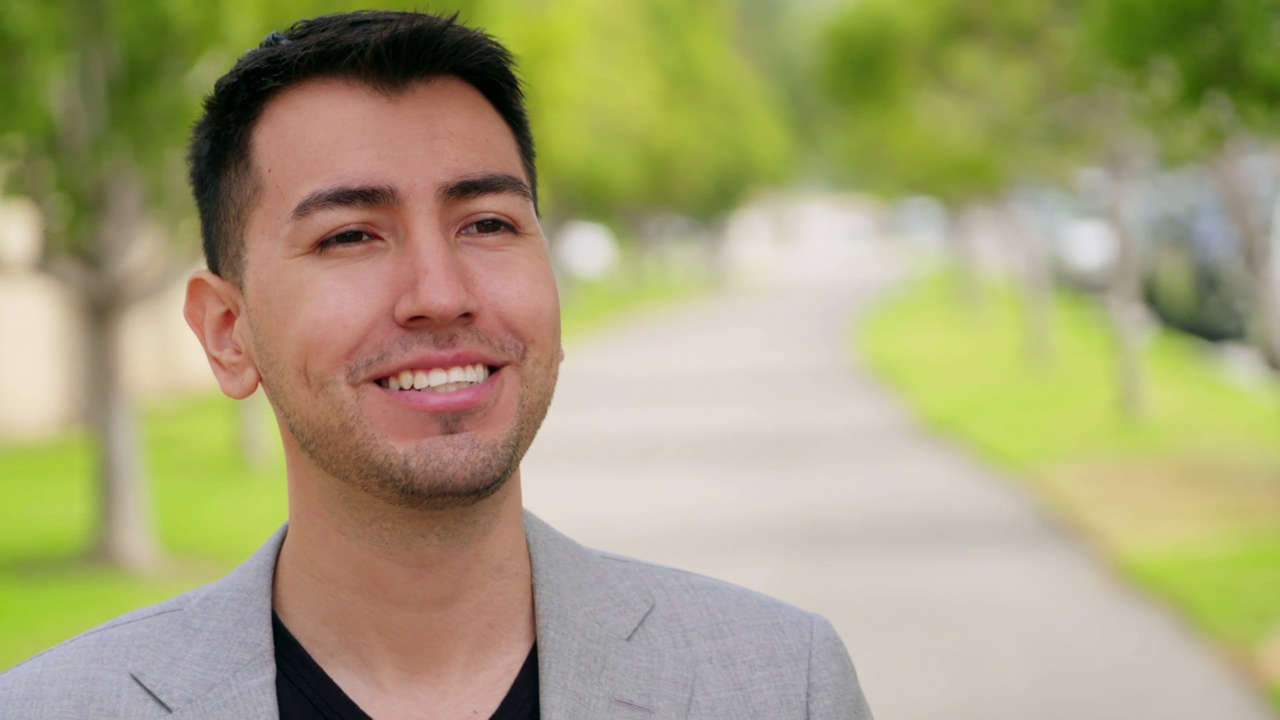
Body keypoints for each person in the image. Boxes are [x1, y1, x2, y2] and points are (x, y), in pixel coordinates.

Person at [0, 10, 872, 719]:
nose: (441, 294)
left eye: (487, 224)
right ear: (228, 333)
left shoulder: (778, 683)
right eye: (351, 236)